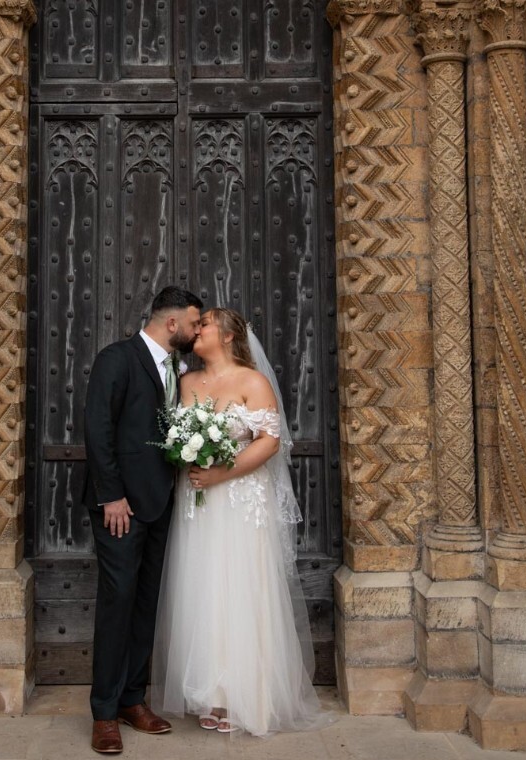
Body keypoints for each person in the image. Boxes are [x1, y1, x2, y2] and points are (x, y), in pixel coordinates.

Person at [151, 307, 329, 737]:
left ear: (228, 336)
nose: (198, 330)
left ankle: (245, 692)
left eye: (206, 324)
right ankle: (211, 692)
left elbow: (269, 442)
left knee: (241, 589)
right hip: (198, 506)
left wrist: (220, 474)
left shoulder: (253, 382)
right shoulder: (187, 382)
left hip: (238, 501)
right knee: (203, 590)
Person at [83, 286, 203, 754]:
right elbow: (97, 428)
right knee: (118, 602)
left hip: (159, 503)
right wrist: (110, 495)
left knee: (146, 602)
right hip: (121, 508)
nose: (197, 331)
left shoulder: (177, 368)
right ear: (172, 323)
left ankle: (134, 699)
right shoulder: (118, 358)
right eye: (194, 323)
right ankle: (104, 713)